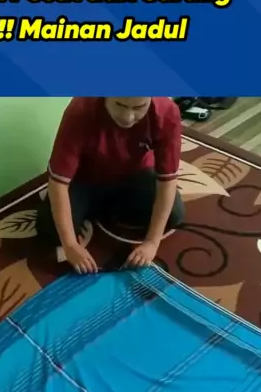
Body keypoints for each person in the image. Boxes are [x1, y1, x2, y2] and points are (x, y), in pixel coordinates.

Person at [36, 97, 184, 274]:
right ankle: (101, 208)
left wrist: (152, 242)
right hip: (85, 179)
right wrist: (70, 245)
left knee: (174, 214)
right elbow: (58, 183)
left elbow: (167, 181)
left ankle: (99, 209)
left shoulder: (167, 112)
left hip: (134, 175)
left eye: (139, 107)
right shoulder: (80, 110)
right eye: (120, 105)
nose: (128, 117)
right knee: (50, 230)